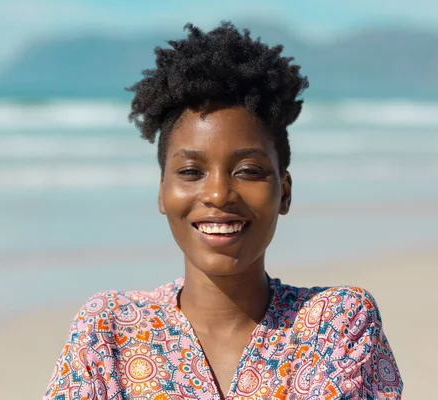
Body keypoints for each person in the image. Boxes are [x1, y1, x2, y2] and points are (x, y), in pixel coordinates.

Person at [43, 22, 403, 399]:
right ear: (163, 193)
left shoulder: (335, 323)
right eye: (190, 172)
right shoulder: (108, 330)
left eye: (248, 171)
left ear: (284, 193)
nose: (217, 194)